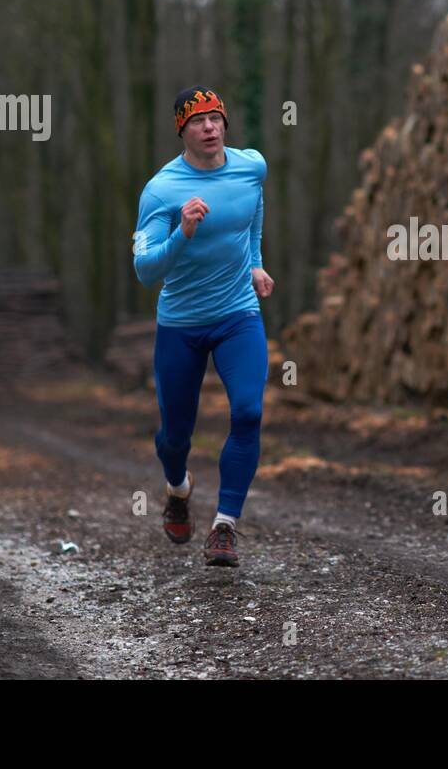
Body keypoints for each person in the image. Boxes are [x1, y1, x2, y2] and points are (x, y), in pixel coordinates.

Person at [131, 85, 274, 567]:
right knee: (175, 435)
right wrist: (182, 233)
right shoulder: (162, 190)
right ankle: (177, 487)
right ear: (182, 130)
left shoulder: (252, 166)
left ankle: (225, 526)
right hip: (181, 324)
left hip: (238, 315)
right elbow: (146, 270)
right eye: (197, 121)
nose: (209, 127)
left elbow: (251, 217)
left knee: (250, 412)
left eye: (215, 118)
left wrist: (254, 262)